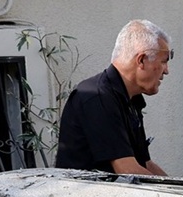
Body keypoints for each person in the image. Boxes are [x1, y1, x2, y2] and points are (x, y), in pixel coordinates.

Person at [54, 19, 171, 175]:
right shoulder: (96, 97)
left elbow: (146, 164)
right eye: (163, 62)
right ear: (141, 60)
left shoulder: (131, 100)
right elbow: (128, 171)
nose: (166, 71)